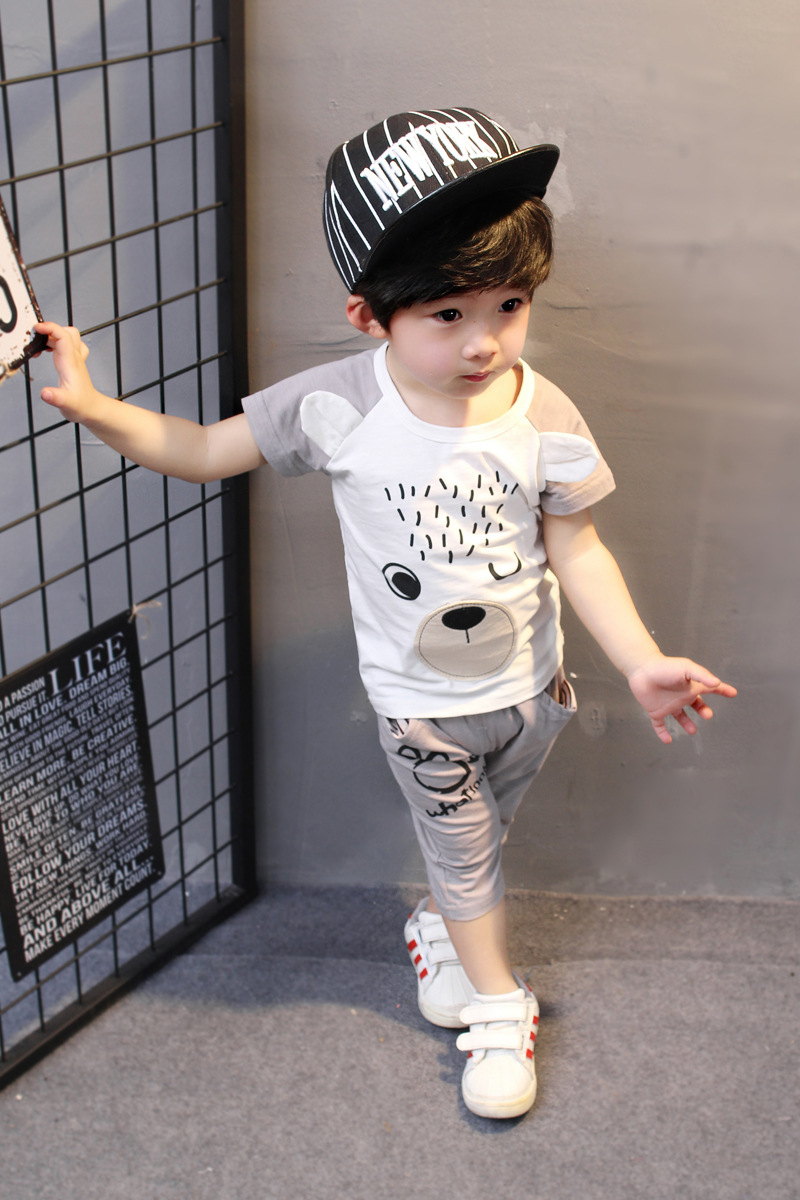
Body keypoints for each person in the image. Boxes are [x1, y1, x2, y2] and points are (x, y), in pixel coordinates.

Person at [33, 107, 736, 1121]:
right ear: (370, 316)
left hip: (532, 696)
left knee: (481, 845)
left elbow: (576, 546)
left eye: (508, 305)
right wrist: (95, 405)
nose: (484, 341)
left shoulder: (543, 411)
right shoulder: (337, 406)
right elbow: (202, 451)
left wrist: (638, 660)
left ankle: (444, 933)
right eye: (447, 315)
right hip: (420, 709)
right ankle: (498, 1004)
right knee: (464, 854)